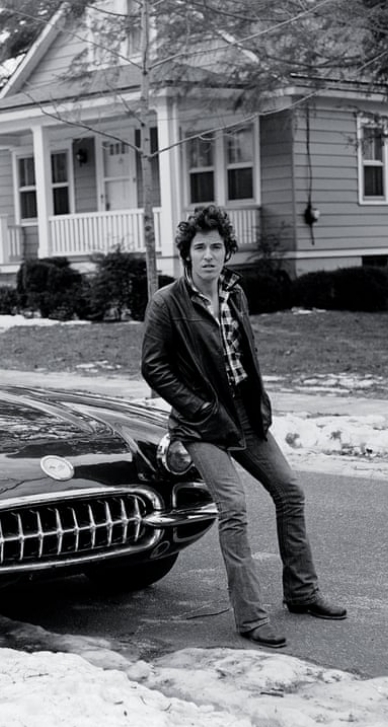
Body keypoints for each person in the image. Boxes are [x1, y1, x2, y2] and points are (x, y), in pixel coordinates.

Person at [141, 204, 346, 649]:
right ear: (187, 255)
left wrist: (260, 402)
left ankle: (302, 592)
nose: (209, 255)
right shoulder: (167, 302)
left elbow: (244, 356)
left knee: (290, 491)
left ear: (227, 251)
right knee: (233, 507)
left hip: (246, 416)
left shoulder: (235, 293)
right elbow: (154, 367)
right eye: (200, 248)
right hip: (201, 424)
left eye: (217, 246)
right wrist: (198, 408)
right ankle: (251, 617)